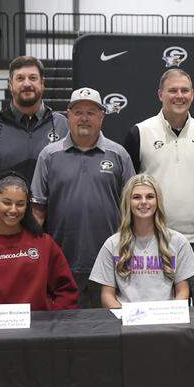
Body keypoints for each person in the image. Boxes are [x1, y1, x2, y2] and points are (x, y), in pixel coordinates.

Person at [123, 68, 194, 306]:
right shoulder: (140, 132)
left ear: (193, 94)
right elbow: (130, 189)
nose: (179, 96)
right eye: (173, 90)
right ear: (160, 94)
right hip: (153, 241)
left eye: (185, 90)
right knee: (156, 312)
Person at [32, 87, 135, 308]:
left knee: (109, 325)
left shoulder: (119, 154)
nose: (84, 118)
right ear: (68, 115)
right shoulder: (49, 155)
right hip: (62, 263)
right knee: (65, 326)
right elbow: (38, 210)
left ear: (102, 116)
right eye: (78, 112)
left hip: (111, 262)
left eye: (91, 112)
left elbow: (133, 209)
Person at [0, 175, 78, 310]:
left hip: (40, 323)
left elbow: (66, 291)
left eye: (20, 204)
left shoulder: (45, 244)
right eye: (7, 203)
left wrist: (53, 319)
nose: (13, 210)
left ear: (27, 205)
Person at [91, 174, 194, 307]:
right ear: (128, 202)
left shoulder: (178, 242)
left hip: (165, 318)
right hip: (126, 318)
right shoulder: (112, 244)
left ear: (158, 201)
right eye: (136, 197)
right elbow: (107, 295)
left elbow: (183, 291)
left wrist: (170, 314)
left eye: (150, 197)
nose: (143, 202)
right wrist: (125, 316)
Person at [0, 56, 69, 184]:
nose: (27, 84)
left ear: (42, 83)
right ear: (10, 84)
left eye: (33, 78)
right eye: (20, 78)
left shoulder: (62, 125)